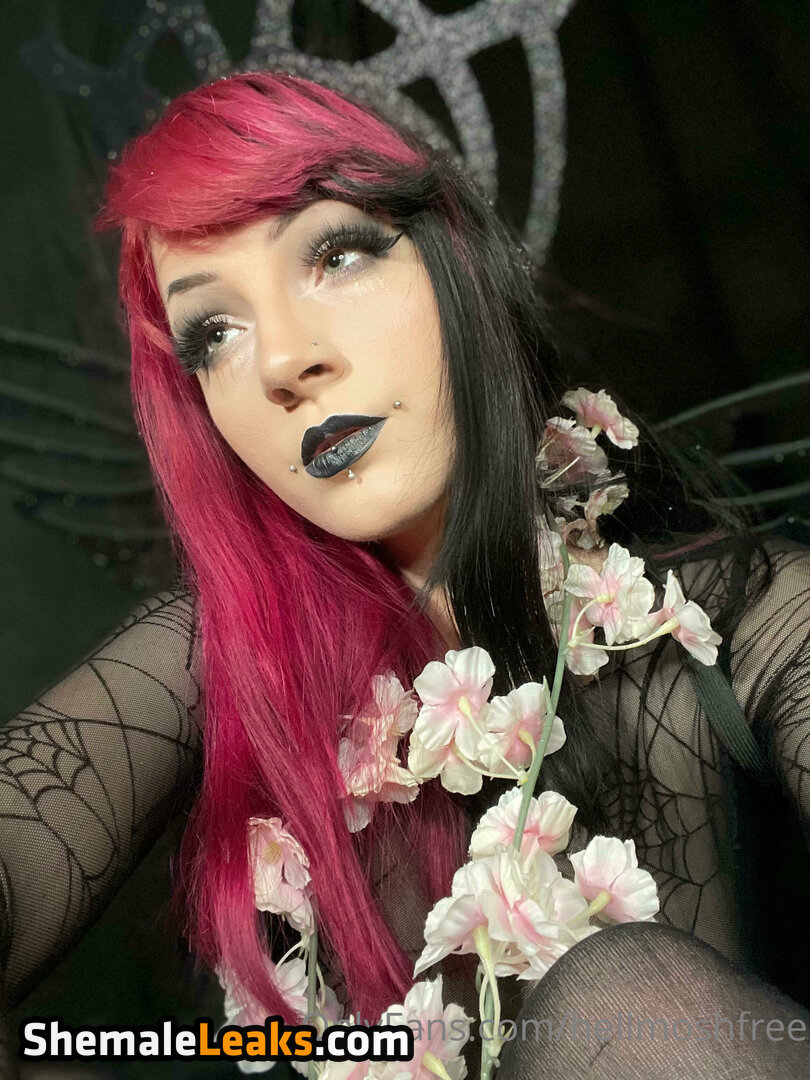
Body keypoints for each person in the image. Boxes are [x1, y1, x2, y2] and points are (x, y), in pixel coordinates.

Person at [1, 70, 809, 1077]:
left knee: (631, 994)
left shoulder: (744, 613)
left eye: (336, 254)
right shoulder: (216, 657)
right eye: (215, 333)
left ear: (454, 261)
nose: (282, 363)